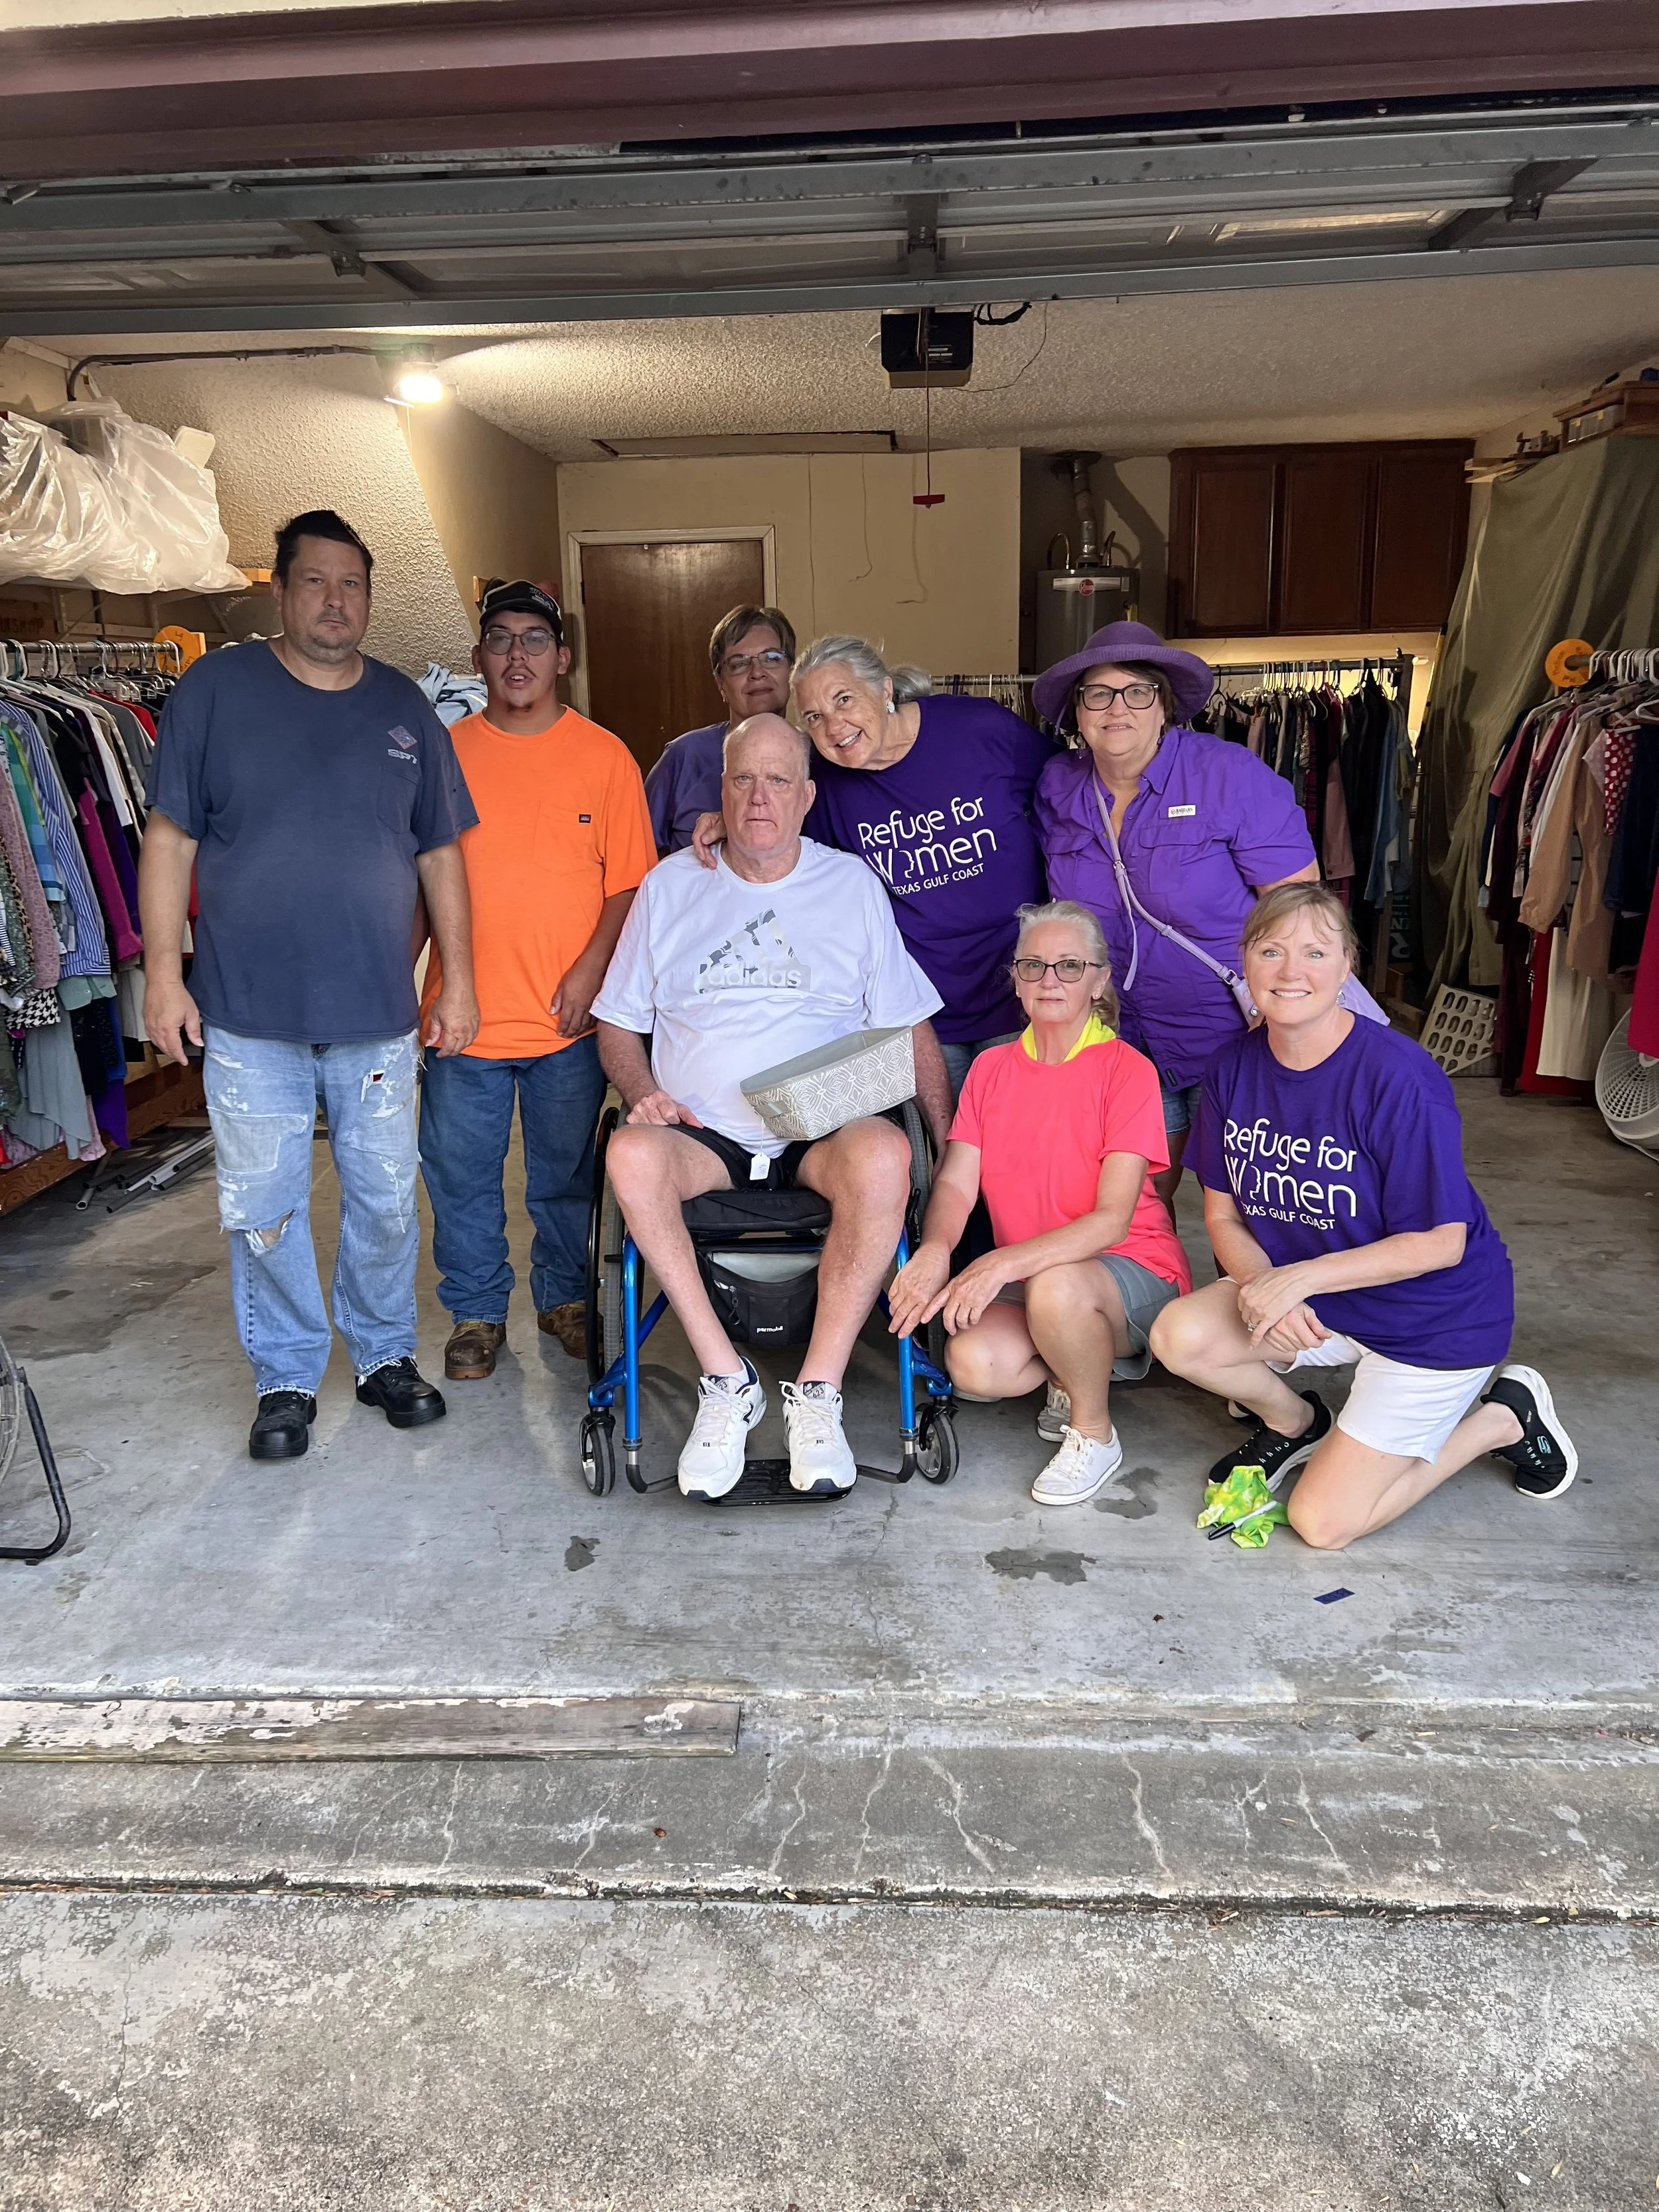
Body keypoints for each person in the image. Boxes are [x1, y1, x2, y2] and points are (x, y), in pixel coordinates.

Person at [138, 508, 479, 1463]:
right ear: (280, 592)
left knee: (380, 1196)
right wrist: (165, 977)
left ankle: (380, 1357)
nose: (338, 601)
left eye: (354, 585)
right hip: (248, 1014)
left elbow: (441, 853)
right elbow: (170, 839)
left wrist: (457, 982)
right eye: (317, 582)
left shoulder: (405, 707)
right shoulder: (214, 691)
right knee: (266, 1203)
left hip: (376, 1014)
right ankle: (286, 1375)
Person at [1149, 882, 1577, 1548]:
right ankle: (1297, 1423)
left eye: (1315, 952)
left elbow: (1439, 1243)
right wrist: (1269, 1290)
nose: (1291, 971)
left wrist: (1298, 1280)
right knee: (1179, 1335)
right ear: (1246, 961)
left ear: (1346, 965)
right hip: (1325, 1303)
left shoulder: (1397, 1076)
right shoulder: (1232, 1066)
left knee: (1321, 1524)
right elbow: (1223, 1216)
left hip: (1431, 1324)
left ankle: (1504, 1418)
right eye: (1271, 951)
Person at [593, 713, 945, 1500]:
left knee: (886, 1154)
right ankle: (726, 1378)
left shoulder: (849, 885)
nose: (759, 797)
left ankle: (817, 1392)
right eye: (743, 779)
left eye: (778, 780)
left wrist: (946, 1145)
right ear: (719, 791)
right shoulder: (671, 884)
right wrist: (638, 1089)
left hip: (817, 1126)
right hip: (701, 1133)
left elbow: (906, 1020)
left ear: (807, 796)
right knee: (627, 1152)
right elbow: (617, 1024)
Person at [417, 579, 656, 1382]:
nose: (516, 655)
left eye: (534, 640)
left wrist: (592, 971)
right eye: (500, 639)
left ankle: (563, 1299)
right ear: (479, 655)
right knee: (462, 1181)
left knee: (563, 1178)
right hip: (463, 1020)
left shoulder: (604, 756)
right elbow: (419, 875)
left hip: (568, 1023)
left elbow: (629, 884)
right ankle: (478, 1312)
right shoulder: (445, 755)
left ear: (562, 656)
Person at [889, 901, 1192, 1507]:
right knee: (973, 1361)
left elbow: (1111, 1221)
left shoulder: (1127, 1071)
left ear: (1099, 980)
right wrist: (935, 1250)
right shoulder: (990, 1069)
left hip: (1131, 1271)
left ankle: (1094, 1430)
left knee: (1057, 1287)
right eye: (1034, 966)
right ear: (1017, 981)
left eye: (1069, 966)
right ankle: (1066, 1365)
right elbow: (955, 1182)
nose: (1050, 979)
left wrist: (999, 1264)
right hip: (1041, 1277)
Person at [1033, 620, 1319, 1211]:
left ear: (1163, 705)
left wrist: (1290, 1018)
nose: (1119, 708)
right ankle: (1147, 1302)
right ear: (1078, 712)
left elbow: (1299, 913)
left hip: (1236, 1037)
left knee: (1248, 1207)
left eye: (1138, 691)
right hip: (1119, 1039)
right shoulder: (1058, 786)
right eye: (1099, 694)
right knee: (1135, 1205)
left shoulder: (1227, 775)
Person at [693, 636, 1054, 1102]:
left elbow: (1066, 787)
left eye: (844, 699)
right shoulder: (823, 784)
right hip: (921, 1018)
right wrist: (729, 819)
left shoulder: (979, 729)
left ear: (885, 691)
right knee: (946, 1160)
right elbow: (772, 822)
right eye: (814, 717)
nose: (834, 727)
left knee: (1019, 1161)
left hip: (1020, 999)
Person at [644, 605, 797, 855]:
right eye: (739, 664)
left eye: (772, 658)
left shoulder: (818, 758)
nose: (757, 673)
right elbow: (638, 854)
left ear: (791, 671)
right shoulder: (684, 757)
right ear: (721, 683)